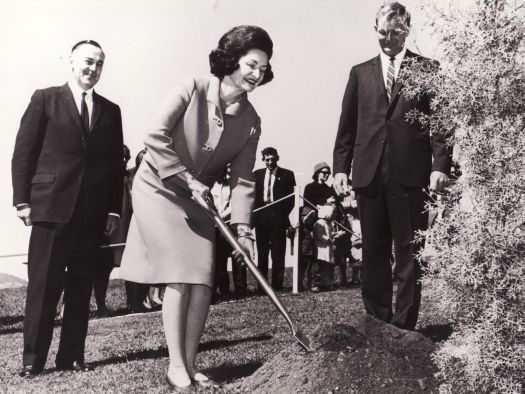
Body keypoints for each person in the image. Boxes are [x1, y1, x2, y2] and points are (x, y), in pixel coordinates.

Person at [118, 25, 274, 391]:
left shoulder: (252, 121)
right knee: (179, 272)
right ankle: (175, 367)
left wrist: (244, 231)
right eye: (251, 64)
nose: (256, 74)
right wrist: (187, 179)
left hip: (196, 200)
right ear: (232, 59)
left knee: (202, 278)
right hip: (158, 187)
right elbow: (154, 135)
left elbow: (243, 180)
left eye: (263, 70)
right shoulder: (192, 87)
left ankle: (189, 363)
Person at [333, 2, 452, 330]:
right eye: (383, 32)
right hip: (368, 174)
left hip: (410, 175)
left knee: (408, 253)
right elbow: (347, 125)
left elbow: (441, 122)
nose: (388, 39)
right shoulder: (360, 72)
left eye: (395, 32)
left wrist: (440, 164)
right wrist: (341, 167)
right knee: (373, 251)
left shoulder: (428, 70)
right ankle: (377, 323)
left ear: (407, 31)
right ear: (376, 31)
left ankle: (404, 328)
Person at [12, 40, 123, 376]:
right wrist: (22, 200)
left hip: (91, 214)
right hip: (50, 209)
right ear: (71, 62)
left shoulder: (111, 110)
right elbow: (23, 153)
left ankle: (72, 355)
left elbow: (114, 167)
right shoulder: (44, 99)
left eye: (100, 64)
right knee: (43, 286)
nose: (93, 69)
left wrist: (113, 211)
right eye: (88, 61)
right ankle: (33, 360)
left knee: (80, 286)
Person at [253, 147, 296, 291]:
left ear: (277, 158)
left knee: (278, 254)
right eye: (267, 160)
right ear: (263, 160)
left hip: (278, 219)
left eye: (272, 159)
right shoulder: (257, 175)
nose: (270, 162)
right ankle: (262, 287)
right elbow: (254, 198)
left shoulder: (287, 174)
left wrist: (281, 216)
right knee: (262, 254)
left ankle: (277, 287)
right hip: (261, 220)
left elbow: (291, 200)